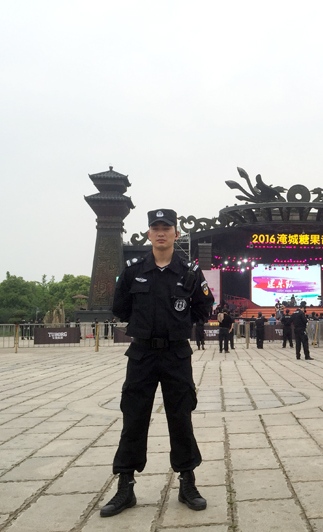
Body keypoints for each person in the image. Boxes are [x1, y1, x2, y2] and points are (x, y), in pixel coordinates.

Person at [101, 208, 213, 518]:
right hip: (142, 355)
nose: (161, 232)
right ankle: (125, 487)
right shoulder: (133, 270)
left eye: (167, 227)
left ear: (176, 233)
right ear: (149, 234)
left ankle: (187, 484)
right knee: (133, 419)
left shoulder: (189, 272)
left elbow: (204, 306)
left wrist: (179, 325)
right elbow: (120, 307)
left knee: (181, 418)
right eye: (156, 228)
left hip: (176, 355)